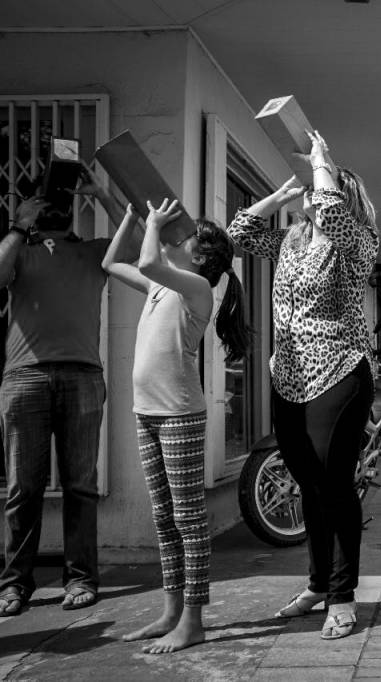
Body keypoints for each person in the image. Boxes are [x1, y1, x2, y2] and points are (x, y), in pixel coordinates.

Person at [228, 131, 379, 640]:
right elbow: (241, 232)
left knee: (334, 485)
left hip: (337, 373)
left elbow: (334, 214)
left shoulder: (356, 244)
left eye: (322, 192)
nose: (314, 200)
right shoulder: (291, 242)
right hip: (288, 376)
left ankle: (342, 595)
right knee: (308, 487)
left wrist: (321, 162)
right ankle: (317, 584)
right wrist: (280, 197)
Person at [102, 200, 250, 653]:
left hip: (179, 415)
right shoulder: (159, 287)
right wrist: (130, 214)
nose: (170, 239)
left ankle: (193, 621)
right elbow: (113, 262)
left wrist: (151, 225)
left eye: (181, 238)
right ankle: (170, 611)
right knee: (164, 519)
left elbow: (147, 258)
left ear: (200, 257)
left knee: (188, 520)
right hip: (146, 413)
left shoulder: (196, 288)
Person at [0, 171, 131, 616]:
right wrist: (19, 227)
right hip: (24, 377)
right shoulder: (20, 250)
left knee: (80, 485)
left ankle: (80, 578)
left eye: (56, 199)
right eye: (42, 199)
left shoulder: (92, 252)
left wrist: (103, 194)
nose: (51, 206)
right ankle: (15, 584)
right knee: (24, 488)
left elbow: (132, 247)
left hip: (82, 375)